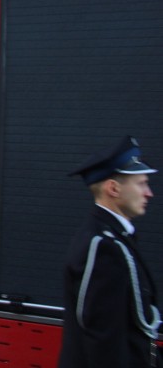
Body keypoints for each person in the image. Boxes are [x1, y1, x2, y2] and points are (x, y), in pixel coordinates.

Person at [59, 135, 160, 367]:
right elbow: (104, 341)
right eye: (141, 183)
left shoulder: (114, 238)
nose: (148, 193)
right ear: (113, 188)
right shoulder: (103, 246)